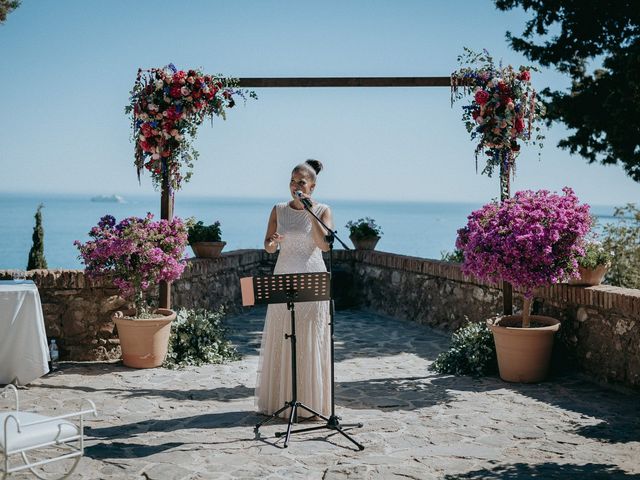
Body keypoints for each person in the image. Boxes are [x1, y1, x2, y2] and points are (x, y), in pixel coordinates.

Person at [255, 159, 333, 419]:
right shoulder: (278, 209)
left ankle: (310, 401)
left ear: (312, 185)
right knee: (284, 334)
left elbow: (324, 246)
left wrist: (312, 215)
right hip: (284, 274)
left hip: (312, 277)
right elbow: (267, 246)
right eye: (292, 180)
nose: (295, 186)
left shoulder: (322, 210)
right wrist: (273, 242)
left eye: (301, 182)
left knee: (308, 336)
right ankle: (282, 399)